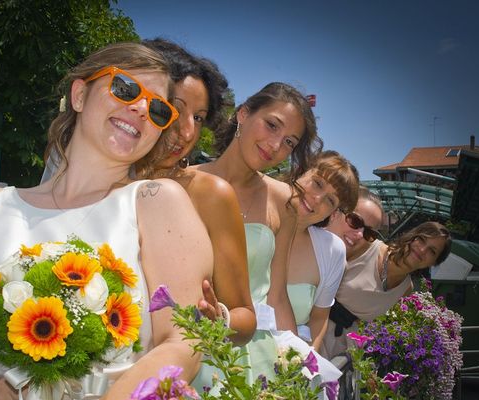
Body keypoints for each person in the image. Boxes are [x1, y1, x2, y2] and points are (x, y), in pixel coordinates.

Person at [0, 42, 213, 400]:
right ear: (78, 94)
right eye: (125, 89)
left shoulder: (158, 203)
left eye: (158, 109)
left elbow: (183, 340)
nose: (142, 109)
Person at [132, 38, 255, 346]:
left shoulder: (211, 194)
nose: (187, 132)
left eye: (198, 118)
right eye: (175, 108)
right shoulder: (100, 180)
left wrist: (219, 318)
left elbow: (245, 318)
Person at [196, 81, 322, 380]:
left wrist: (296, 369)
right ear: (243, 114)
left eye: (290, 142)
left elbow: (276, 295)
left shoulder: (284, 201)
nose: (277, 145)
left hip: (251, 357)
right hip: (181, 343)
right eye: (272, 125)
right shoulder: (182, 183)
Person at [323, 210, 452, 359]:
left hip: (340, 355)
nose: (422, 250)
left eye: (432, 251)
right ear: (412, 236)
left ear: (434, 262)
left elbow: (362, 317)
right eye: (422, 240)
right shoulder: (367, 246)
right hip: (311, 329)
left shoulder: (405, 289)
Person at [284, 151, 358, 351]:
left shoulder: (332, 251)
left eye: (330, 201)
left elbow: (318, 319)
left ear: (333, 213)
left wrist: (304, 365)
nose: (317, 199)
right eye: (317, 183)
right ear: (301, 171)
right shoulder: (256, 211)